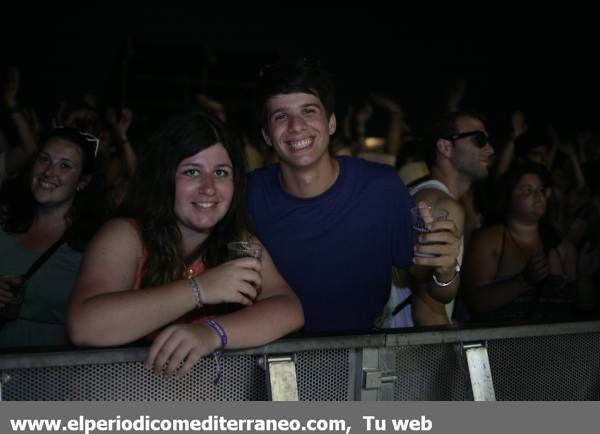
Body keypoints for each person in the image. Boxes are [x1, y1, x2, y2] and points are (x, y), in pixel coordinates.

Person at [67, 113, 303, 377]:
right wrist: (200, 289)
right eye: (192, 171)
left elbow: (289, 309)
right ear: (165, 178)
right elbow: (85, 326)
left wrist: (213, 332)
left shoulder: (238, 240)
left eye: (221, 173)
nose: (209, 187)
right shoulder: (126, 235)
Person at [247, 58, 460, 332]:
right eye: (281, 116)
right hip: (275, 363)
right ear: (266, 135)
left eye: (309, 111)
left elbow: (436, 289)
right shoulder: (248, 195)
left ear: (331, 123)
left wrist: (445, 270)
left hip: (362, 361)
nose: (296, 126)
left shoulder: (380, 189)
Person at [0, 127, 106, 347]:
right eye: (44, 159)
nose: (49, 172)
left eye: (65, 166)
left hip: (56, 371)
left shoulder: (95, 244)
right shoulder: (4, 224)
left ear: (82, 182)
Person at [462, 162, 598, 323]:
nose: (538, 195)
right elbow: (477, 302)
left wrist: (584, 275)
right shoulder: (489, 241)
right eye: (527, 190)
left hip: (558, 345)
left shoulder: (563, 247)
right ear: (509, 196)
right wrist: (523, 281)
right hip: (504, 344)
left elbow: (585, 306)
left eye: (541, 190)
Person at [408, 111, 495, 326]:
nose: (490, 150)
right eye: (479, 140)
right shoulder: (444, 206)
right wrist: (452, 353)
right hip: (411, 354)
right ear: (445, 147)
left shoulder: (425, 194)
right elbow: (427, 311)